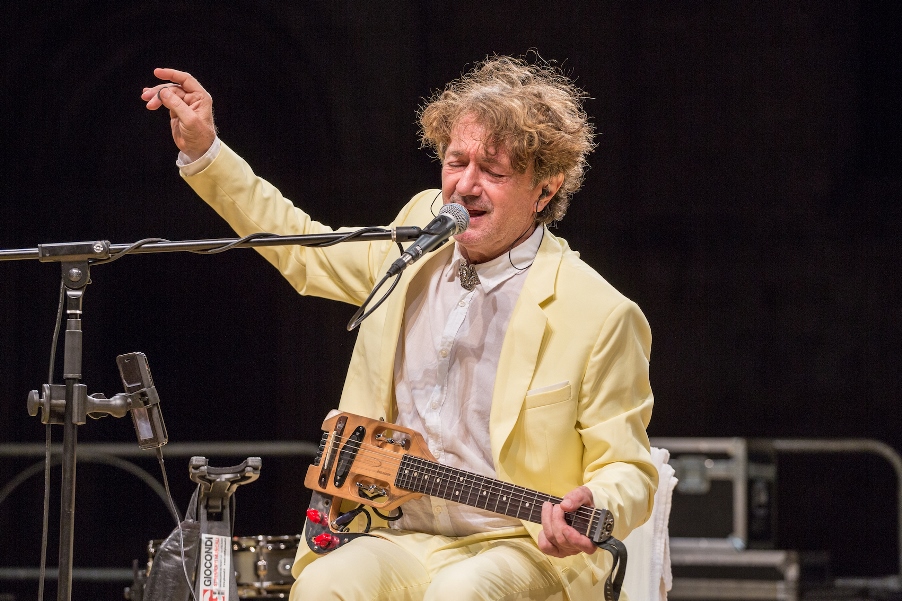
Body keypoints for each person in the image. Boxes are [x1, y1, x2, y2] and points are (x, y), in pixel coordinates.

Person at [142, 56, 657, 601]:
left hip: (519, 544)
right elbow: (306, 252)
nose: (464, 186)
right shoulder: (419, 237)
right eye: (455, 162)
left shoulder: (598, 312)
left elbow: (628, 467)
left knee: (461, 593)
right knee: (323, 587)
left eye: (494, 172)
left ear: (545, 190)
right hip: (399, 532)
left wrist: (595, 502)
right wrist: (206, 153)